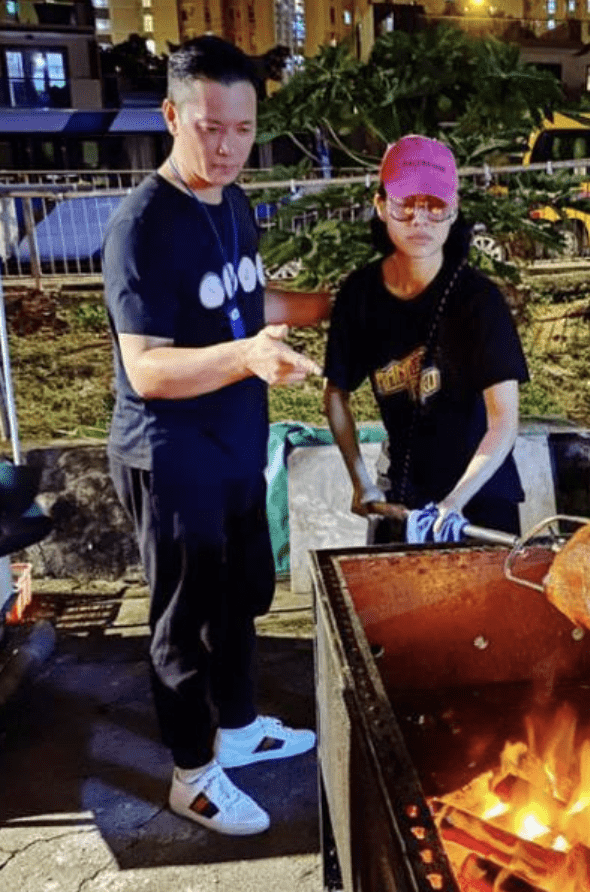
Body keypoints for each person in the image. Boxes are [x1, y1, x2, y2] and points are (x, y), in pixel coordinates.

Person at [102, 35, 330, 836]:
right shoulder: (142, 226)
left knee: (239, 601)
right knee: (183, 617)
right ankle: (192, 775)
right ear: (172, 115)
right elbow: (149, 370)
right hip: (170, 455)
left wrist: (323, 305)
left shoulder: (229, 202)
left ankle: (237, 727)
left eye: (243, 127)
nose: (229, 146)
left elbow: (243, 298)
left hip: (235, 441)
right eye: (210, 127)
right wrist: (247, 356)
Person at [323, 135, 529, 543]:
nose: (420, 220)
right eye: (405, 204)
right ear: (382, 206)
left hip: (480, 496)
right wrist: (360, 479)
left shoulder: (480, 301)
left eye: (435, 206)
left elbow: (503, 421)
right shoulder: (358, 295)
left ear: (453, 212)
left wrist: (455, 502)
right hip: (402, 496)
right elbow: (335, 395)